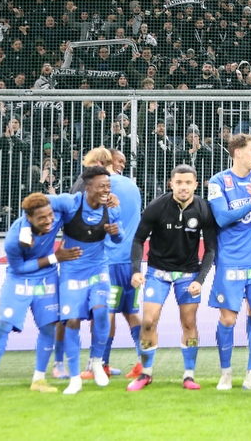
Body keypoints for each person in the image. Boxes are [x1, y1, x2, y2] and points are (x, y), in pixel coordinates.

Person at [0, 193, 82, 397]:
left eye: (50, 215)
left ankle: (39, 379)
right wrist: (53, 258)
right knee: (3, 325)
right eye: (42, 218)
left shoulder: (54, 214)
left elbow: (75, 199)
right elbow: (19, 268)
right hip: (20, 280)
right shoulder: (14, 240)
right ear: (28, 218)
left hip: (47, 278)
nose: (49, 220)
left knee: (49, 327)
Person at [127, 165, 217, 391]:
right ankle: (146, 373)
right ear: (171, 184)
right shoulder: (157, 206)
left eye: (188, 183)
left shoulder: (204, 209)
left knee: (189, 323)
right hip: (157, 274)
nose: (183, 187)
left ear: (196, 185)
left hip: (188, 276)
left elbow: (211, 250)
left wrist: (200, 279)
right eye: (179, 183)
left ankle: (189, 375)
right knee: (148, 321)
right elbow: (138, 240)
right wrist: (136, 270)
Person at [207, 133, 251, 392]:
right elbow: (223, 218)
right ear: (238, 153)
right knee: (228, 318)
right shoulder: (218, 181)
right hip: (231, 260)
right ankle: (226, 373)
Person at [56, 166, 122, 395]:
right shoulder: (71, 203)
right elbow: (42, 202)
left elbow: (119, 237)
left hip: (98, 268)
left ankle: (96, 361)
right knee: (72, 321)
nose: (106, 190)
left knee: (102, 311)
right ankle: (74, 378)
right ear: (89, 187)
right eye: (102, 186)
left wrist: (115, 232)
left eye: (108, 186)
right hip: (71, 270)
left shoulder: (111, 207)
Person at [102, 149, 143, 379]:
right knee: (131, 311)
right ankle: (142, 362)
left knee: (106, 312)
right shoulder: (131, 186)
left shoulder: (104, 185)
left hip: (110, 258)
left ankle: (102, 363)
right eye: (121, 161)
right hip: (133, 259)